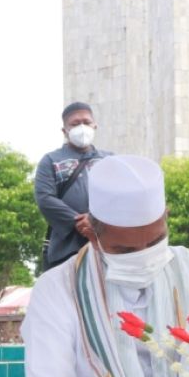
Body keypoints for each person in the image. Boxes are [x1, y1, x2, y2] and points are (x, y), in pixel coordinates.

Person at [22, 154, 189, 377]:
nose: (143, 255)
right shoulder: (56, 290)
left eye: (155, 242)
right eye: (124, 250)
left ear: (165, 217)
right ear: (93, 234)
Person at [34, 102, 112, 270]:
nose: (82, 127)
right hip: (67, 251)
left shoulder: (110, 160)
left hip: (107, 247)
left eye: (86, 122)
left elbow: (121, 195)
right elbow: (45, 198)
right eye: (75, 124)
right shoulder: (50, 160)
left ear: (95, 125)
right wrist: (80, 222)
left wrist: (96, 222)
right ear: (65, 131)